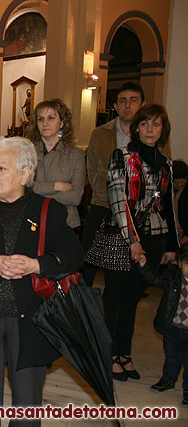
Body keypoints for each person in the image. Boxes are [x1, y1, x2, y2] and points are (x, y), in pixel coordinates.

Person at [0, 136, 83, 426]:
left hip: (31, 319)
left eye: (1, 168)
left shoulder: (49, 210)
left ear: (25, 174)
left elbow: (73, 255)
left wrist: (37, 264)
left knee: (27, 403)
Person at [105, 103, 177, 381]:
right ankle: (110, 353)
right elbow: (118, 201)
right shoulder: (121, 156)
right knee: (114, 297)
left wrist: (171, 246)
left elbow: (168, 207)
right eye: (145, 124)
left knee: (133, 300)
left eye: (156, 124)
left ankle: (125, 353)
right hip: (122, 236)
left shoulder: (166, 164)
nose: (149, 130)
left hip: (155, 239)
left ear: (163, 130)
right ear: (136, 127)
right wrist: (132, 240)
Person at [83, 82, 146, 286]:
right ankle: (81, 313)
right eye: (123, 101)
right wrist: (112, 197)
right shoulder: (100, 134)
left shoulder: (151, 135)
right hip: (102, 206)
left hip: (135, 212)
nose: (127, 105)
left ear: (142, 105)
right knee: (86, 267)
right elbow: (92, 170)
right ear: (116, 106)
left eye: (133, 100)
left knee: (120, 276)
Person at [138, 244, 188, 407]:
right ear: (179, 263)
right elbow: (154, 279)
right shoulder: (173, 278)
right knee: (172, 357)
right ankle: (168, 380)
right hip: (173, 327)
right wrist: (144, 265)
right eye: (187, 264)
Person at [27, 98, 85, 230]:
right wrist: (56, 186)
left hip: (66, 223)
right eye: (40, 119)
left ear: (62, 123)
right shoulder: (27, 152)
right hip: (33, 221)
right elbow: (23, 189)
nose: (45, 123)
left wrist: (37, 191)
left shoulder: (76, 155)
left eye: (51, 118)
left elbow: (75, 197)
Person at [172, 160, 188, 246]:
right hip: (172, 233)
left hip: (184, 233)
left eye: (182, 182)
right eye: (176, 182)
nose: (179, 185)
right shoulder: (166, 190)